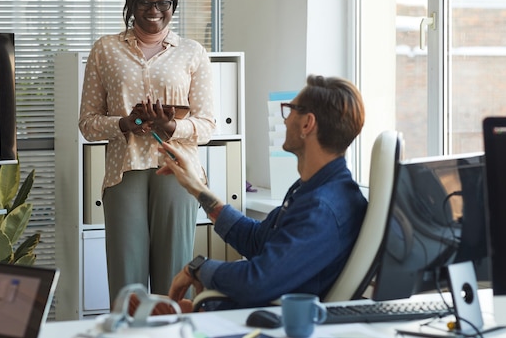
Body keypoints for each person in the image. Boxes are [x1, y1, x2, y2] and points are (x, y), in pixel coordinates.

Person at [155, 74, 368, 311]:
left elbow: (257, 280)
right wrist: (196, 186)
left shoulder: (322, 207)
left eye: (289, 110)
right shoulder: (312, 189)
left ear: (307, 124)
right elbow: (257, 240)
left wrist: (199, 268)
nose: (285, 121)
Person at [78, 0, 216, 301]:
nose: (154, 11)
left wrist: (171, 127)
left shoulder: (192, 52)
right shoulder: (105, 49)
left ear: (173, 5)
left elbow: (208, 125)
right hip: (124, 170)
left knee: (174, 277)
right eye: (144, 3)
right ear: (131, 4)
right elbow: (87, 122)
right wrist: (124, 124)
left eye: (163, 3)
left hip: (178, 168)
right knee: (128, 283)